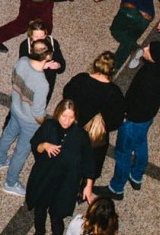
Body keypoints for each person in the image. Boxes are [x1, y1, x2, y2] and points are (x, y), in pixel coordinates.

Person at [104, 41, 160, 200]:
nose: (144, 49)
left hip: (133, 120)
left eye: (149, 50)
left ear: (155, 57)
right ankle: (136, 175)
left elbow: (137, 101)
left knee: (123, 153)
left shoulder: (150, 77)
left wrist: (125, 116)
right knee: (140, 143)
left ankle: (116, 188)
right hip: (146, 118)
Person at [0, 37, 54, 196]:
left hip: (16, 108)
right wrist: (43, 124)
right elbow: (38, 112)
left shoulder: (22, 61)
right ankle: (10, 183)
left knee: (8, 134)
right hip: (29, 121)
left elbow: (15, 80)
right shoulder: (42, 84)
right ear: (47, 57)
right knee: (21, 151)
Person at [26, 99, 95, 235]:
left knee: (57, 215)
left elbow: (89, 161)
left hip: (66, 183)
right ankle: (39, 232)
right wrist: (45, 145)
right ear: (58, 113)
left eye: (71, 117)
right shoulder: (48, 126)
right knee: (40, 208)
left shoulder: (81, 136)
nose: (67, 121)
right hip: (45, 177)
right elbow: (35, 144)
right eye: (64, 116)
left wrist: (88, 185)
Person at [61, 52, 126, 180]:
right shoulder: (114, 92)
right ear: (112, 70)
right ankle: (83, 189)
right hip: (95, 135)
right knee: (90, 162)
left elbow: (67, 95)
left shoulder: (81, 79)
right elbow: (116, 120)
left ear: (95, 64)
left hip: (74, 126)